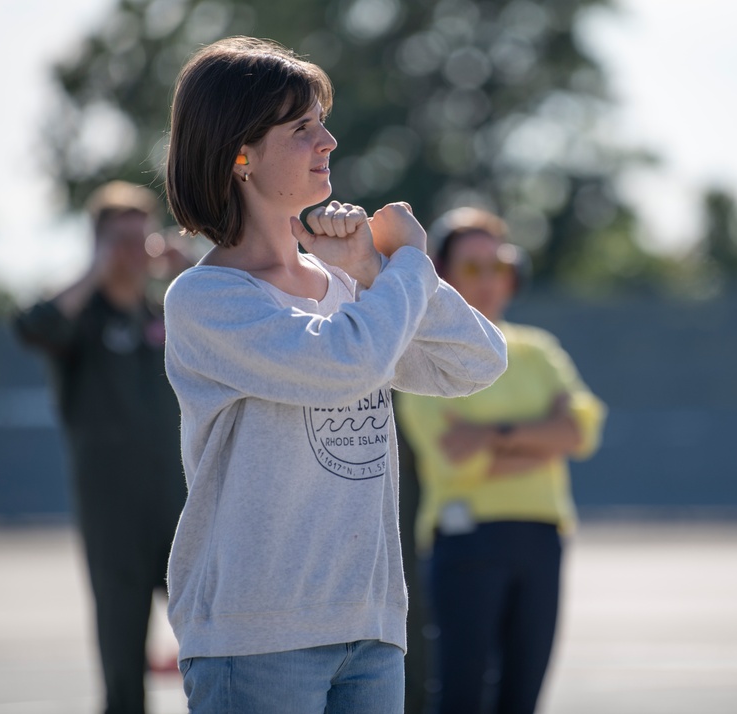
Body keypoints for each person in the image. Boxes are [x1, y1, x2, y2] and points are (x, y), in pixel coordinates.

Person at [161, 37, 507, 713]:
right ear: (240, 154)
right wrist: (408, 262)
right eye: (301, 128)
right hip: (256, 637)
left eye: (320, 120)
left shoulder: (349, 284)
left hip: (369, 625)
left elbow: (474, 361)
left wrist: (376, 272)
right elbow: (346, 364)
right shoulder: (206, 301)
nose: (330, 139)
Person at [395, 207, 606, 714]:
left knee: (522, 698)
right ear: (442, 274)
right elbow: (453, 461)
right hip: (466, 543)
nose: (489, 281)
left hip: (541, 539)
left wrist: (492, 435)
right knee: (461, 697)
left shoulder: (537, 350)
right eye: (472, 268)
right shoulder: (421, 353)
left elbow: (582, 431)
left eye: (500, 266)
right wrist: (541, 439)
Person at [13, 181, 189, 714]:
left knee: (214, 637)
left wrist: (187, 268)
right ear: (96, 244)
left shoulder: (168, 312)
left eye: (142, 237)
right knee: (121, 655)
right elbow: (30, 327)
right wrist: (96, 270)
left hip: (179, 507)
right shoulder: (80, 322)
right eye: (119, 240)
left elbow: (234, 323)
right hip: (112, 513)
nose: (134, 251)